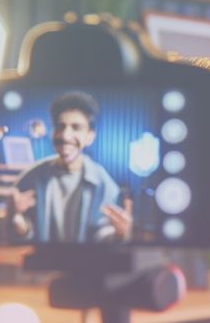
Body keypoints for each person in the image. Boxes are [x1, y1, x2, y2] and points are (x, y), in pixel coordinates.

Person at [8, 91, 132, 242]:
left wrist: (120, 234)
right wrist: (19, 222)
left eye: (76, 127)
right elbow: (21, 235)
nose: (65, 136)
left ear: (90, 136)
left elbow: (101, 238)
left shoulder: (105, 185)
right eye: (60, 127)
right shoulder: (30, 178)